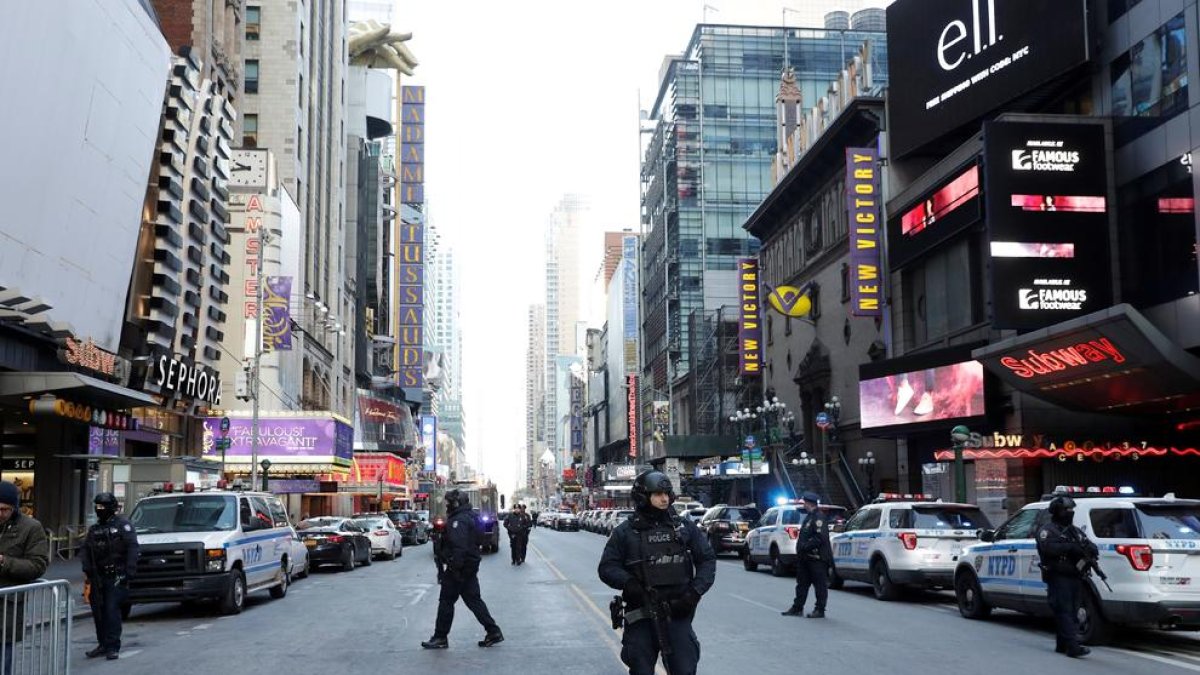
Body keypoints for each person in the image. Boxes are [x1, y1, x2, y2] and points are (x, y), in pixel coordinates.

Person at [599, 470, 716, 675]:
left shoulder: (683, 528)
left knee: (685, 668)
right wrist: (628, 583)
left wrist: (693, 593)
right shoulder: (626, 532)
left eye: (666, 493)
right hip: (641, 615)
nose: (664, 498)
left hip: (677, 613)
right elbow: (607, 567)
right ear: (644, 497)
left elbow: (706, 560)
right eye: (657, 494)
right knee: (641, 668)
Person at [421, 490, 503, 649]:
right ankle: (493, 631)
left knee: (446, 601)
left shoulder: (458, 520)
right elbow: (478, 539)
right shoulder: (471, 516)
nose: (447, 505)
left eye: (449, 502)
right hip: (469, 566)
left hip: (459, 569)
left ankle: (440, 637)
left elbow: (459, 547)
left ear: (456, 503)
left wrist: (454, 568)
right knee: (474, 601)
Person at [79, 492, 139, 660]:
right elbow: (85, 550)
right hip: (98, 577)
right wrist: (88, 570)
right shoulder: (95, 529)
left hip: (116, 575)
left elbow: (132, 548)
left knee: (111, 610)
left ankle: (113, 646)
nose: (100, 510)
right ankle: (103, 644)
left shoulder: (123, 526)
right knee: (99, 611)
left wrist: (129, 572)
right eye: (98, 506)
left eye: (103, 506)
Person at [1036, 494, 1094, 658]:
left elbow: (1088, 544)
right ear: (1057, 512)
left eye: (1071, 510)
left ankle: (1063, 643)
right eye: (1066, 510)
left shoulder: (1074, 531)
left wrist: (1090, 551)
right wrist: (1070, 548)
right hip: (1058, 575)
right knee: (1064, 610)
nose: (1070, 513)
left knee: (1073, 610)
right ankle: (1073, 646)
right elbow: (1048, 548)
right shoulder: (1047, 531)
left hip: (1075, 575)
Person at [0, 481, 48, 675]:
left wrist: (5, 562)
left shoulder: (31, 527)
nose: (0, 513)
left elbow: (38, 565)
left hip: (6, 607)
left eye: (4, 509)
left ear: (14, 508)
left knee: (3, 659)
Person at [781, 492, 832, 618]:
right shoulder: (809, 517)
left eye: (805, 503)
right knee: (802, 584)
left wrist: (805, 546)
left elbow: (820, 538)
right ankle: (797, 607)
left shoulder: (818, 517)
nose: (804, 505)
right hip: (805, 558)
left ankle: (820, 609)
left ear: (809, 503)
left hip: (817, 558)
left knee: (819, 585)